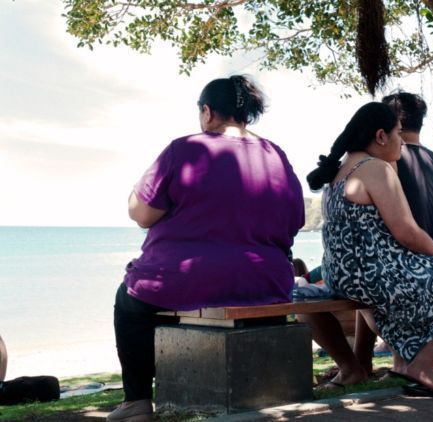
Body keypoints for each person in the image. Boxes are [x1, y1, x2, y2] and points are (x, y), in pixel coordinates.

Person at [108, 75, 305, 421]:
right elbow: (295, 222)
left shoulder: (186, 149)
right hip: (264, 282)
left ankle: (137, 400)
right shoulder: (276, 156)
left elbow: (141, 213)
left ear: (208, 112)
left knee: (129, 301)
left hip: (184, 279)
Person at [303, 102, 433, 398]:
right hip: (374, 274)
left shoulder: (338, 172)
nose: (402, 142)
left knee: (307, 297)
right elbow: (407, 232)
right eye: (398, 134)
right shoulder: (374, 169)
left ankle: (356, 368)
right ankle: (424, 365)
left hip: (340, 274)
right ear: (380, 136)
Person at [353, 91, 433, 376]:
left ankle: (363, 363)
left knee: (361, 277)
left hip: (407, 270)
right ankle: (361, 360)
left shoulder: (386, 164)